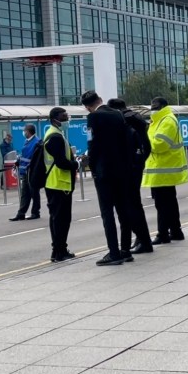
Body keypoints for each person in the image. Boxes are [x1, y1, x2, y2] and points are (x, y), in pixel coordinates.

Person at [81, 90, 133, 266]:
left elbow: (92, 144)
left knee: (107, 213)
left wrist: (93, 167)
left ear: (88, 107)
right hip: (122, 170)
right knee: (123, 210)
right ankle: (126, 250)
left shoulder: (93, 118)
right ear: (100, 100)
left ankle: (114, 252)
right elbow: (126, 142)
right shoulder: (118, 115)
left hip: (105, 172)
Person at [107, 98, 154, 256]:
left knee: (129, 206)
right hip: (137, 164)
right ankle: (142, 240)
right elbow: (146, 146)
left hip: (128, 168)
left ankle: (143, 240)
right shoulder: (136, 117)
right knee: (135, 204)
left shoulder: (124, 119)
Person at [143, 96, 188, 244]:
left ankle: (163, 233)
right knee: (168, 202)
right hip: (161, 169)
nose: (153, 108)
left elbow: (160, 145)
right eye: (152, 106)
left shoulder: (167, 120)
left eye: (155, 106)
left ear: (163, 106)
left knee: (162, 203)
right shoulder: (158, 120)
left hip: (164, 169)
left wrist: (143, 140)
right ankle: (175, 231)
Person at [42, 107, 78, 263]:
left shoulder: (55, 134)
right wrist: (76, 164)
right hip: (58, 184)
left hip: (56, 183)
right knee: (61, 220)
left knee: (58, 219)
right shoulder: (55, 137)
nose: (66, 120)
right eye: (63, 118)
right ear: (54, 119)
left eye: (67, 117)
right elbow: (61, 162)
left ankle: (59, 249)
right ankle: (59, 251)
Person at [10, 124, 41, 221]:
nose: (23, 132)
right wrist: (17, 162)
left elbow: (35, 158)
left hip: (32, 172)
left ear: (28, 131)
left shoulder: (37, 142)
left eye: (24, 130)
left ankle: (35, 212)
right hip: (25, 172)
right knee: (25, 193)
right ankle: (21, 213)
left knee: (34, 193)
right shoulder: (27, 141)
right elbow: (24, 155)